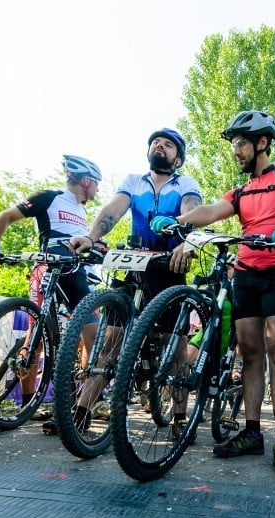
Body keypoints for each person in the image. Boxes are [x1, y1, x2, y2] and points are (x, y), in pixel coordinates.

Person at [149, 110, 275, 478]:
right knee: (251, 355)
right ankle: (252, 433)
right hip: (246, 276)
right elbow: (210, 211)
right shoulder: (241, 191)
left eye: (240, 143)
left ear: (262, 143)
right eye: (234, 144)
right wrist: (178, 222)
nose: (235, 151)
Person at [68, 128, 202, 436]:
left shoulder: (186, 183)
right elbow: (114, 210)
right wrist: (91, 236)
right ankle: (80, 412)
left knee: (176, 345)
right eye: (156, 142)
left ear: (177, 158)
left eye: (168, 145)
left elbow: (191, 210)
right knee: (110, 343)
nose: (160, 146)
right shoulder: (133, 181)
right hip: (134, 262)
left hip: (169, 263)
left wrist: (187, 242)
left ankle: (180, 418)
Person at [0, 155, 103, 434]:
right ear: (85, 181)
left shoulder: (85, 215)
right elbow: (6, 216)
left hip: (76, 275)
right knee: (36, 336)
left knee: (94, 338)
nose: (96, 190)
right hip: (47, 269)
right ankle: (27, 402)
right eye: (95, 184)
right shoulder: (50, 197)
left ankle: (82, 404)